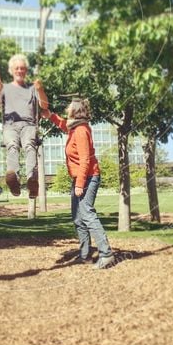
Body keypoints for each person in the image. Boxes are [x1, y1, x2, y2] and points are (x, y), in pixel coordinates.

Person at [42, 99, 115, 269]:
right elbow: (62, 124)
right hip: (80, 178)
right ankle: (85, 255)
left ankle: (106, 254)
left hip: (88, 177)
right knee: (77, 217)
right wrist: (50, 115)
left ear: (74, 112)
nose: (66, 111)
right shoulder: (74, 128)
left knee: (87, 213)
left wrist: (80, 184)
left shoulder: (81, 131)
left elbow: (85, 161)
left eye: (68, 109)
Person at [0, 54, 49, 202]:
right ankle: (13, 178)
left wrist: (40, 90)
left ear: (26, 71)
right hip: (10, 125)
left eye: (22, 68)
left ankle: (32, 180)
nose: (20, 70)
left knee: (30, 145)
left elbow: (44, 106)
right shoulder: (5, 88)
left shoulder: (32, 88)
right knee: (12, 146)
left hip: (29, 124)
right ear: (11, 70)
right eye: (17, 68)